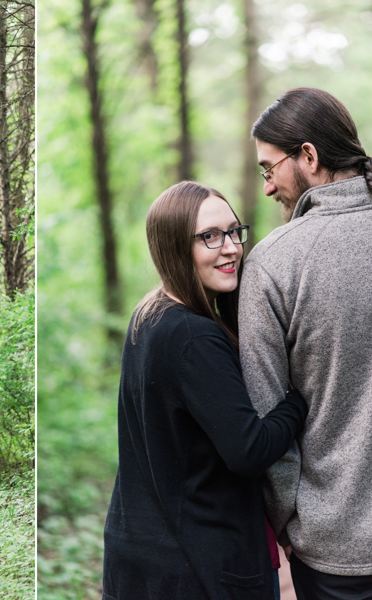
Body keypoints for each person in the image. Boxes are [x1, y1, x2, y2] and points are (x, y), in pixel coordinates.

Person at [240, 87, 372, 596]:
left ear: (308, 155)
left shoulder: (273, 261)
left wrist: (293, 523)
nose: (266, 188)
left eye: (268, 169)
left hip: (336, 555)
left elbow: (266, 415)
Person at [102, 181, 309, 600]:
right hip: (198, 569)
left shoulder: (149, 315)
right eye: (210, 237)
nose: (231, 247)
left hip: (142, 558)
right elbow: (248, 450)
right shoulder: (194, 337)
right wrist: (299, 399)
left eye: (234, 231)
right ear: (175, 246)